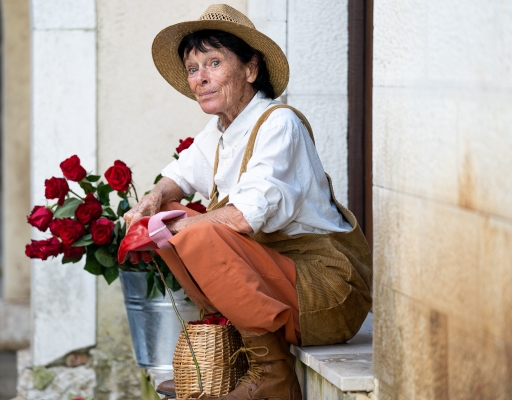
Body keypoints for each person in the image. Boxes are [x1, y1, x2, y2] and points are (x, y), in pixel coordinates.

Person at [122, 5, 372, 399]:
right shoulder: (222, 129)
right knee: (177, 222)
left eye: (214, 63)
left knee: (198, 233)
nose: (200, 78)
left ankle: (273, 377)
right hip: (284, 283)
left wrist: (179, 227)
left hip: (327, 294)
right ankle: (231, 353)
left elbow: (242, 217)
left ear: (251, 69)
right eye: (193, 68)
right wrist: (149, 206)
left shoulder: (278, 124)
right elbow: (179, 176)